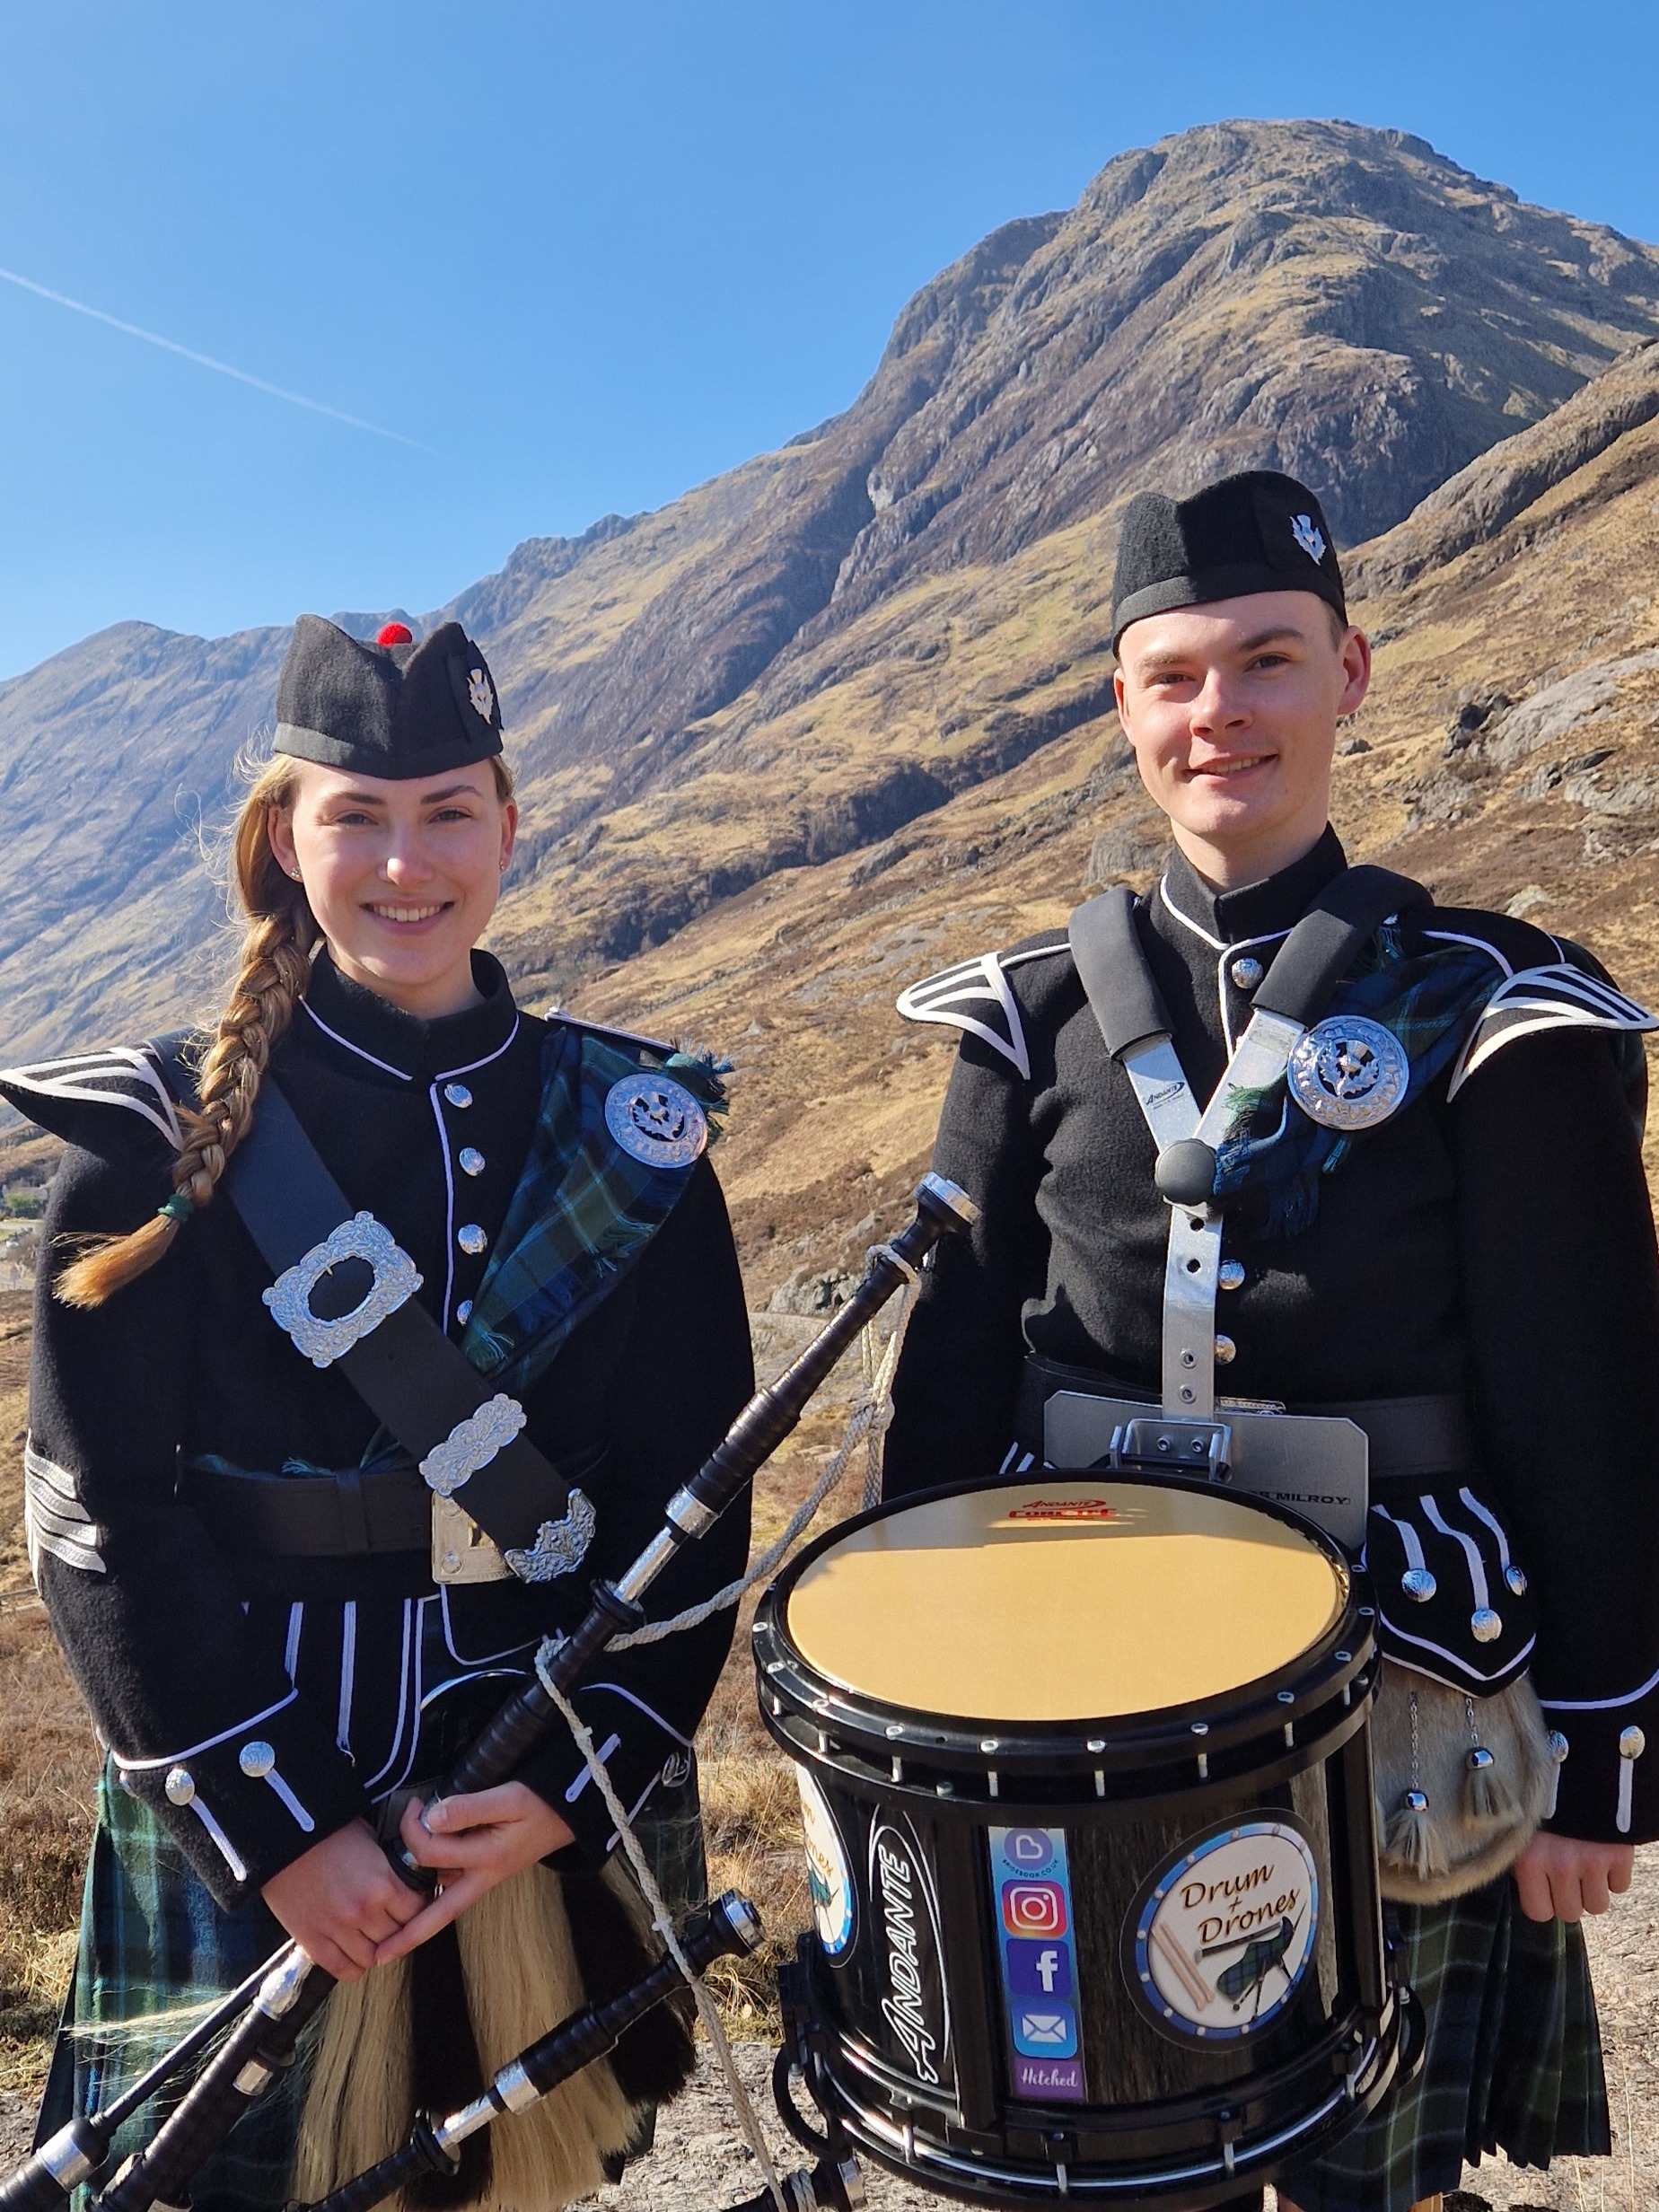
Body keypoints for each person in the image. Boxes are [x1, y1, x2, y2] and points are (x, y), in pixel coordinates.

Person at [882, 471, 1658, 2212]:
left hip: (1405, 1686)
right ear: (1123, 705)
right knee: (1118, 2157)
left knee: (1373, 2172)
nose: (1218, 711)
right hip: (1075, 1691)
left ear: (1351, 674)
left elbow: (1588, 1391)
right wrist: (910, 1718)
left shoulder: (1493, 1002)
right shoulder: (1029, 1019)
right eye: (1174, 676)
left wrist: (1603, 1753)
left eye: (1267, 662)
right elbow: (948, 1380)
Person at [3, 615, 754, 2212]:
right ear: (286, 839)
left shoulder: (633, 1131)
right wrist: (279, 1830)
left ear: (508, 825)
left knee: (516, 2186)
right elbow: (94, 1511)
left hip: (531, 1745)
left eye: (449, 814)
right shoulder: (154, 1137)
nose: (407, 866)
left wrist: (573, 1785)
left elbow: (695, 1487)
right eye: (358, 817)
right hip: (255, 1739)